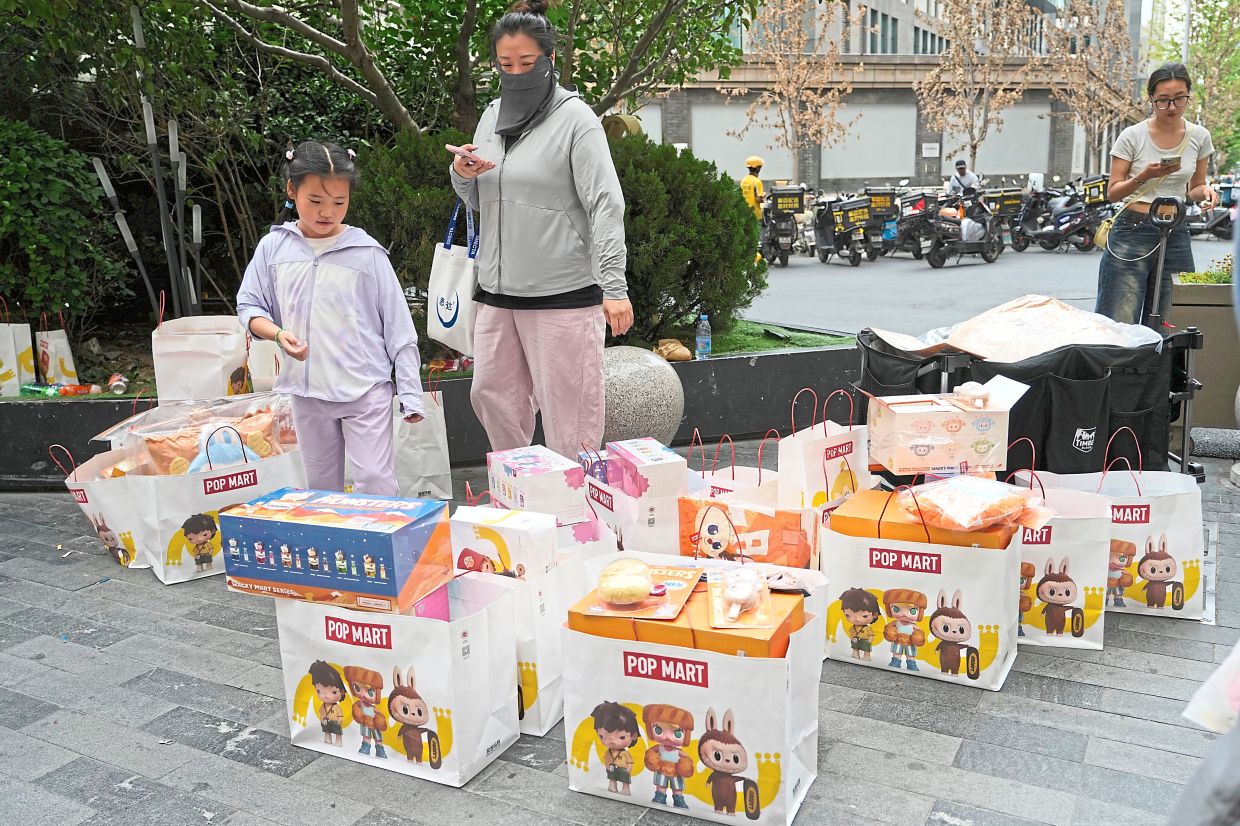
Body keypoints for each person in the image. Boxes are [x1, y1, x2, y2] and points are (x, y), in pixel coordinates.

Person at [449, 0, 632, 460]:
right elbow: (482, 201)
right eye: (506, 64)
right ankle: (521, 500)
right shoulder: (491, 115)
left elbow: (605, 203)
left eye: (527, 63)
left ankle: (581, 516)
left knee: (570, 420)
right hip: (496, 293)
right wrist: (464, 172)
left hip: (563, 295)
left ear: (548, 59)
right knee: (491, 398)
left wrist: (614, 285)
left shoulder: (576, 120)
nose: (516, 72)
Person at [236, 141, 424, 496]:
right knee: (320, 491)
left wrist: (410, 394)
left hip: (365, 390)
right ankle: (334, 553)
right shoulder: (274, 248)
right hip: (308, 395)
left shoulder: (367, 253)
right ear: (292, 191)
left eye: (339, 202)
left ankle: (381, 549)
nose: (327, 212)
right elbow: (249, 306)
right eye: (316, 201)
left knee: (375, 483)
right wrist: (278, 335)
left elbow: (399, 329)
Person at [1096, 62, 1219, 326]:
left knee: (1172, 316)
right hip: (1133, 229)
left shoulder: (1199, 136)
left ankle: (1164, 369)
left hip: (1176, 230)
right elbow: (1114, 193)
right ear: (1151, 98)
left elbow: (1194, 189)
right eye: (1163, 101)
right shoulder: (1132, 136)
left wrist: (1206, 191)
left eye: (1179, 99)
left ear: (1188, 95)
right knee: (1120, 318)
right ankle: (1118, 369)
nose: (1172, 107)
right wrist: (1144, 176)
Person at [741, 156, 765, 220]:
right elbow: (758, 199)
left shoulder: (743, 180)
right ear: (757, 168)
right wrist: (763, 196)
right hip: (755, 215)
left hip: (744, 213)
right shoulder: (757, 182)